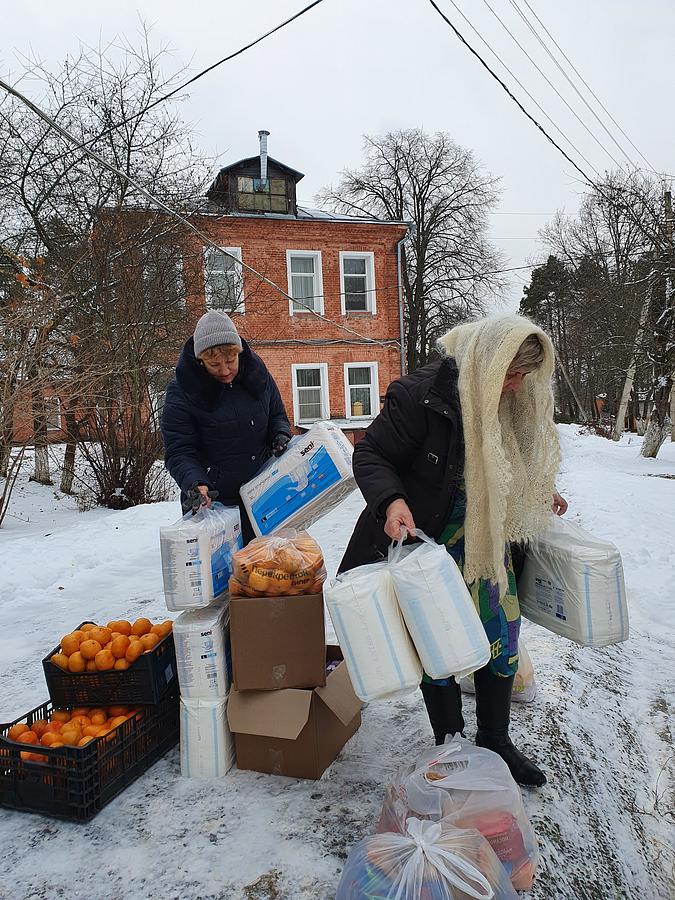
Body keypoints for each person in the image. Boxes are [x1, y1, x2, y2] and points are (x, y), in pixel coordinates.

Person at [338, 314, 567, 787]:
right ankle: (451, 741)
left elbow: (512, 458)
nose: (517, 385)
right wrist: (391, 500)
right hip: (432, 546)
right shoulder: (420, 395)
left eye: (524, 376)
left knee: (501, 633)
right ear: (489, 362)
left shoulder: (505, 399)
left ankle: (495, 739)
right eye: (512, 374)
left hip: (488, 544)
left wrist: (537, 488)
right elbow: (371, 454)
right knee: (437, 638)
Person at [161, 309, 292, 543]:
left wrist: (279, 434)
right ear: (201, 361)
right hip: (215, 505)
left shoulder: (257, 374)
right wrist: (196, 484)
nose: (225, 371)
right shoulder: (183, 392)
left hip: (263, 495)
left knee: (268, 563)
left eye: (231, 361)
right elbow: (179, 450)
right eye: (214, 365)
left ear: (239, 352)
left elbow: (276, 414)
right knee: (226, 567)